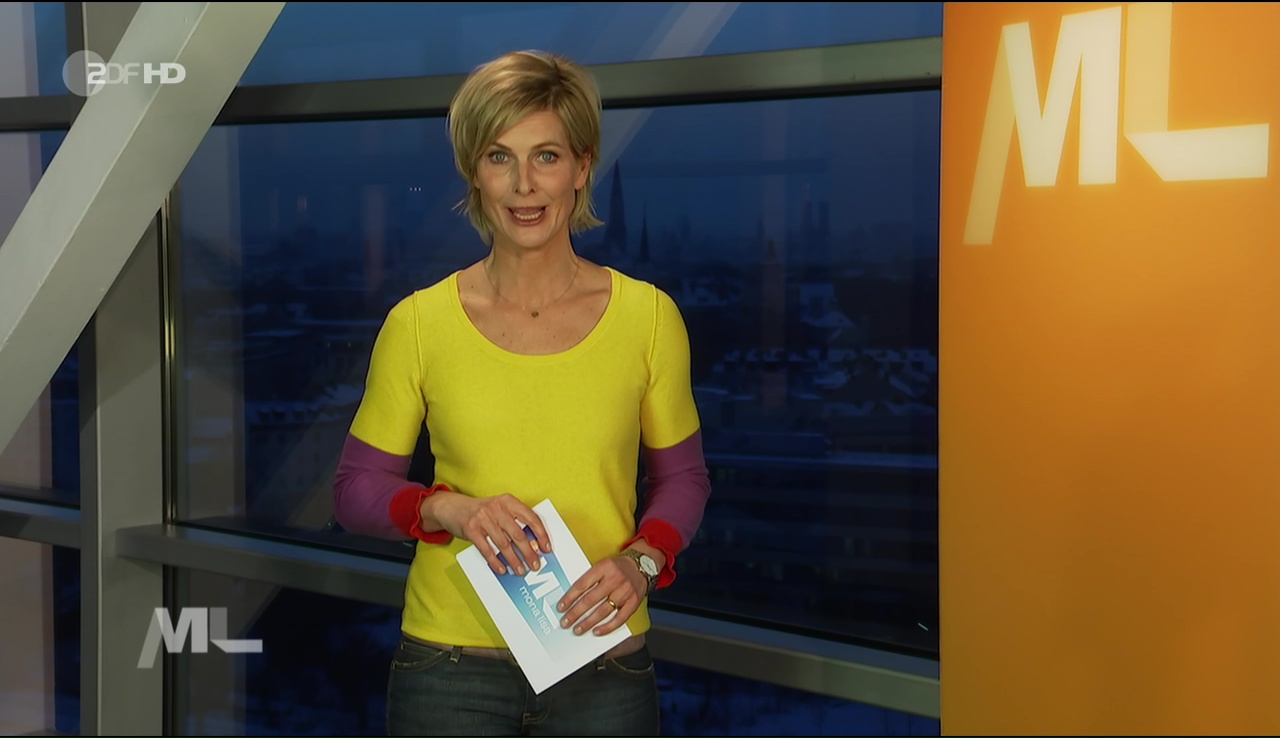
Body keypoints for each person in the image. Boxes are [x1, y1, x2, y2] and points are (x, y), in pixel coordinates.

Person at [332, 49, 712, 736]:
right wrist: (448, 508)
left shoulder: (649, 318)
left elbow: (683, 479)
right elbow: (355, 490)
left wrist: (642, 561)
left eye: (547, 156)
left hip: (603, 666)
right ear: (474, 172)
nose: (524, 184)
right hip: (448, 671)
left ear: (582, 167)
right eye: (500, 157)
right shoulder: (418, 324)